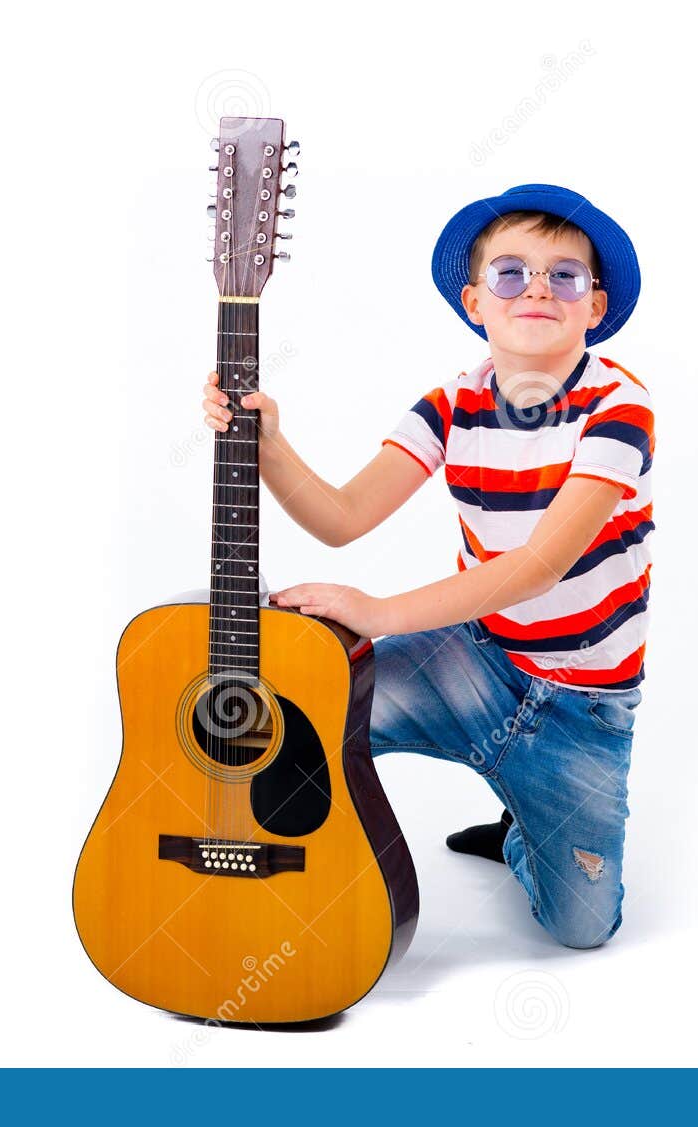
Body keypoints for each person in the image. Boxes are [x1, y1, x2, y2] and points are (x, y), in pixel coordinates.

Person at [199, 184, 654, 949]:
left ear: (595, 307)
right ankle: (292, 895)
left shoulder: (619, 406)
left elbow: (541, 564)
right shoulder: (450, 404)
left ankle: (525, 826)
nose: (537, 288)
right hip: (473, 661)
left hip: (580, 706)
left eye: (564, 276)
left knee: (582, 930)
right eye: (511, 273)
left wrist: (378, 613)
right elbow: (342, 518)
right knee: (300, 717)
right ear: (476, 300)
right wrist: (268, 444)